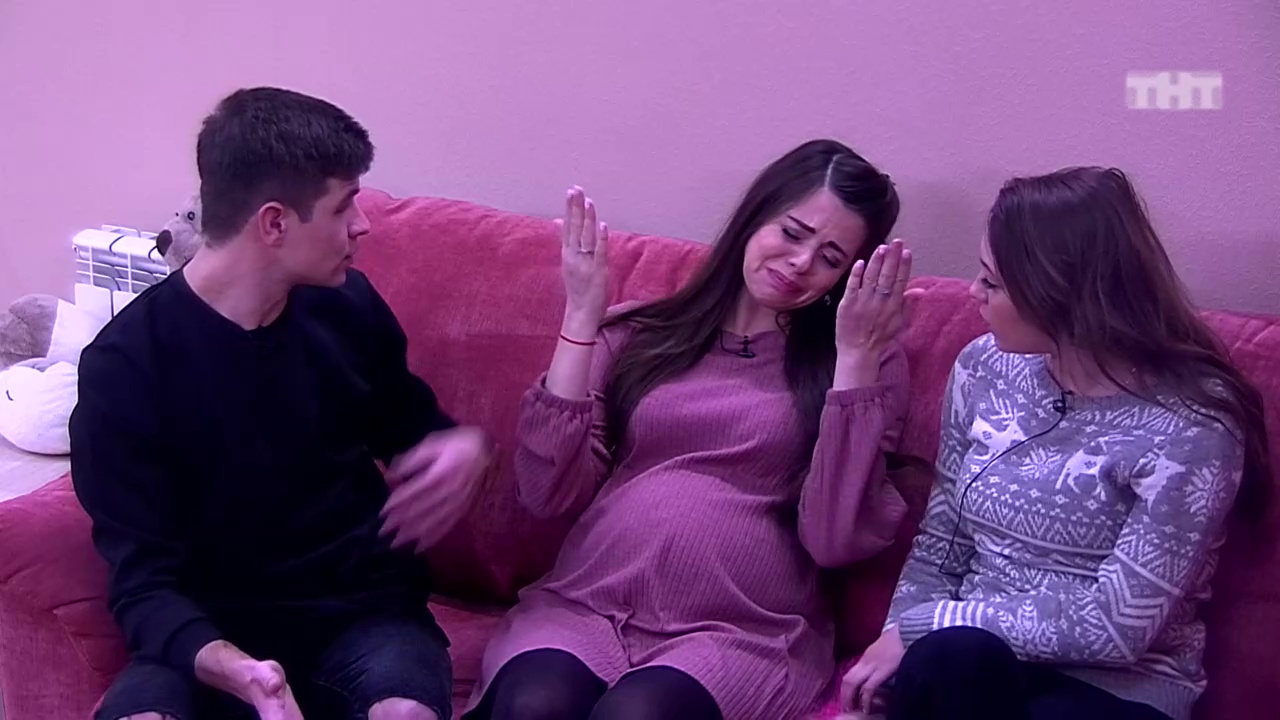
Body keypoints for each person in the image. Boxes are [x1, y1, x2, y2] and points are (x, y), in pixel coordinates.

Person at [70, 87, 493, 720]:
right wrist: (242, 672)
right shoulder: (124, 367)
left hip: (362, 617)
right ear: (274, 223)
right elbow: (141, 584)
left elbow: (415, 429)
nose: (362, 224)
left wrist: (466, 448)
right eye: (344, 205)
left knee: (405, 715)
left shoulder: (347, 308)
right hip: (209, 633)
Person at [464, 139, 916, 720]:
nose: (802, 262)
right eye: (792, 232)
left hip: (741, 630)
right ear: (755, 216)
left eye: (830, 257)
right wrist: (580, 317)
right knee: (535, 704)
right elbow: (546, 491)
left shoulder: (865, 362)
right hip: (589, 603)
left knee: (637, 716)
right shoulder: (640, 333)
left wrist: (853, 359)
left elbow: (835, 538)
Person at [840, 167, 1271, 720]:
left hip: (1115, 690)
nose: (974, 293)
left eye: (993, 283)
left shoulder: (1191, 422)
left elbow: (1118, 627)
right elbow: (942, 541)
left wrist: (929, 625)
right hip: (978, 666)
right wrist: (894, 649)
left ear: (1060, 295)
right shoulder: (984, 367)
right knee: (950, 659)